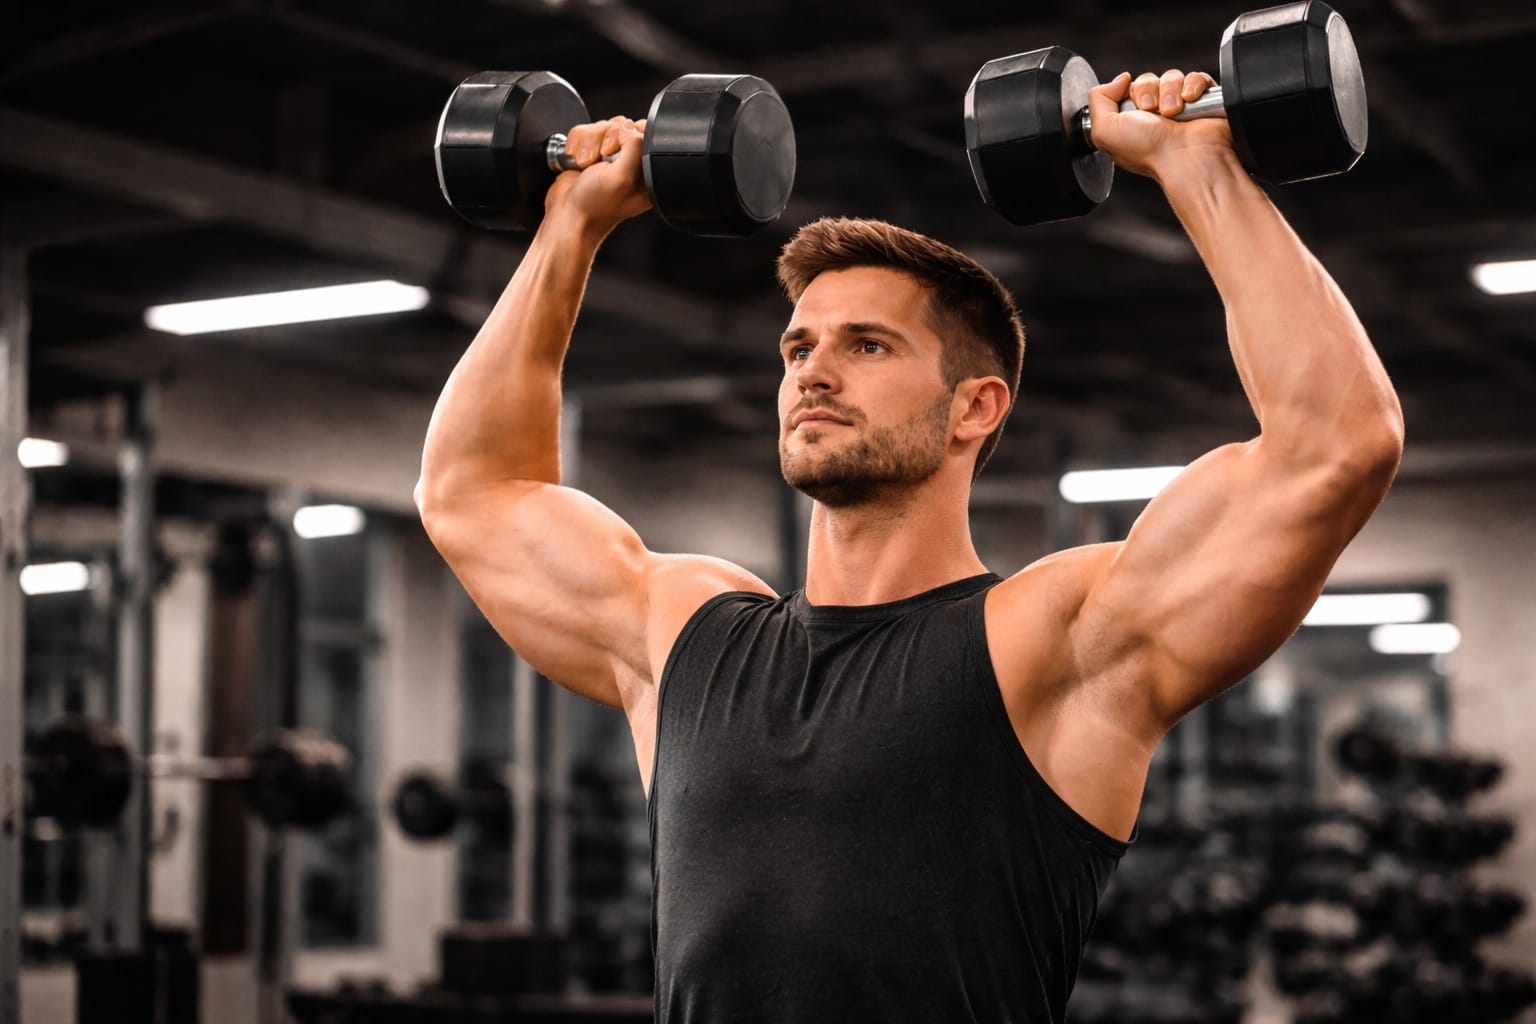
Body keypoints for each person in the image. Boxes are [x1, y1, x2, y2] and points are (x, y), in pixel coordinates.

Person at [416, 67, 1404, 1023]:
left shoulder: (1048, 645)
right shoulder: (686, 638)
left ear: (978, 407)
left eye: (867, 345)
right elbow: (473, 491)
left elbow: (1333, 447)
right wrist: (572, 224)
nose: (814, 373)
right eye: (799, 347)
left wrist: (1199, 168)